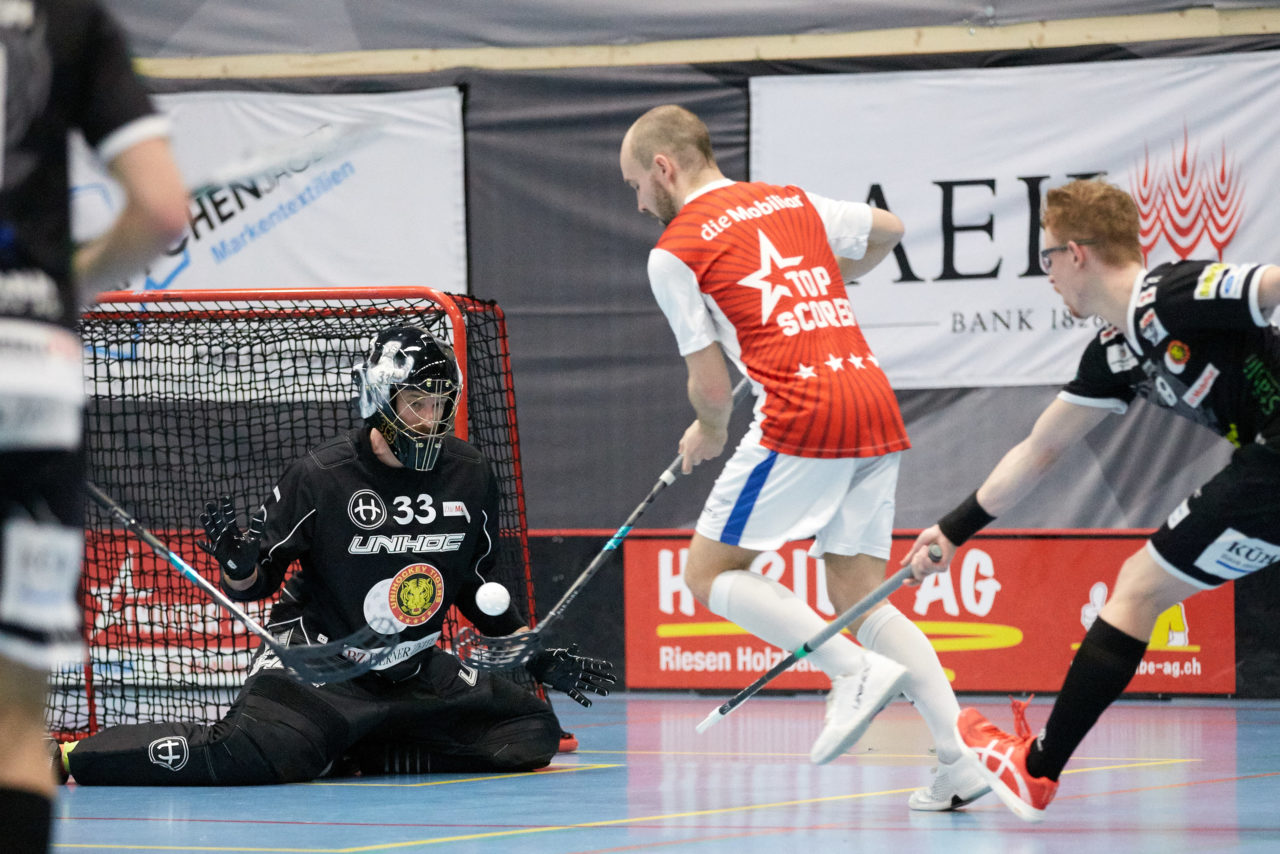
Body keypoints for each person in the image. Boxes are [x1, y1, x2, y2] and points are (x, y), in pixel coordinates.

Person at [619, 104, 990, 810]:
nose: (638, 200)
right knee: (859, 596)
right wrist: (837, 274)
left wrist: (710, 428)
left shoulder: (676, 249)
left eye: (637, 183)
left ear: (664, 167)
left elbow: (709, 384)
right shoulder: (786, 200)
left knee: (708, 571)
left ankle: (846, 670)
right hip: (871, 398)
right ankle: (958, 757)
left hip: (801, 411)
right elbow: (889, 229)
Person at [56, 325, 615, 784]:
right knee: (249, 753)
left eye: (440, 405)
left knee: (530, 732)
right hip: (322, 667)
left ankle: (356, 750)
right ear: (378, 397)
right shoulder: (321, 476)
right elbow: (254, 585)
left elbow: (473, 585)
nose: (429, 420)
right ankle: (69, 756)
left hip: (412, 671)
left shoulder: (468, 473)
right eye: (415, 403)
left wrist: (529, 654)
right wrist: (237, 563)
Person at [901, 178, 1280, 822]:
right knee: (1140, 588)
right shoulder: (1117, 351)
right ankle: (1037, 768)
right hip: (1265, 468)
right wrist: (952, 531)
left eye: (1046, 257)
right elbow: (1039, 449)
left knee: (1138, 586)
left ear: (1077, 253)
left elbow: (1271, 284)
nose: (1045, 274)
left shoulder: (1172, 294)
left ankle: (1036, 769)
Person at [1, 1, 189, 850]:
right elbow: (160, 210)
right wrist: (66, 284)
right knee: (13, 722)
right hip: (28, 372)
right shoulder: (73, 19)